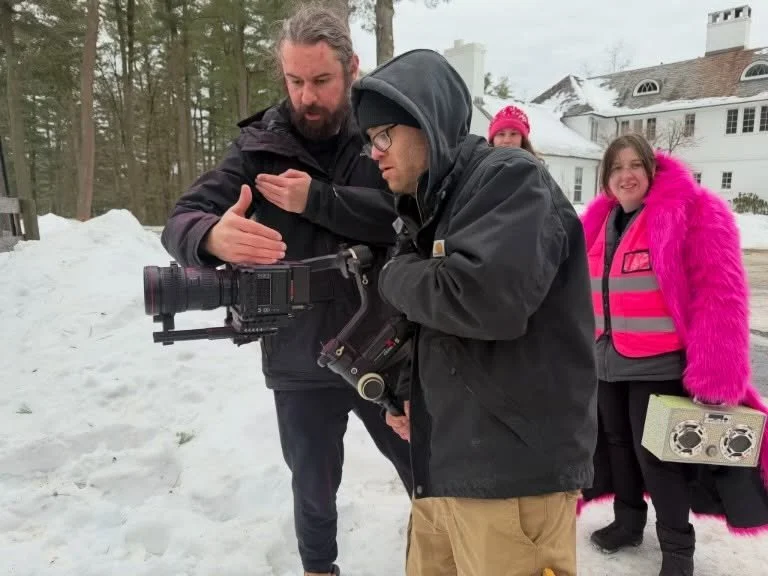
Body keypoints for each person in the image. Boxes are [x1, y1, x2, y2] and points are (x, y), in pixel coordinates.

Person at [160, 6, 413, 576]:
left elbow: (410, 216)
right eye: (295, 81)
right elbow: (181, 219)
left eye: (321, 81)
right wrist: (212, 235)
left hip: (389, 346)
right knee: (313, 488)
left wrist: (321, 200)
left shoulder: (385, 134)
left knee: (426, 466)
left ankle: (441, 558)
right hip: (300, 356)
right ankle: (318, 569)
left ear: (352, 68)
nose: (308, 97)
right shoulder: (259, 148)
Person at [350, 49, 598, 576]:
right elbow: (438, 326)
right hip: (444, 468)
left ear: (428, 120)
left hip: (513, 478)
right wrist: (405, 393)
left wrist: (394, 275)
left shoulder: (509, 180)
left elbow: (484, 301)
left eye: (383, 135)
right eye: (369, 140)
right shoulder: (431, 204)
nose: (374, 152)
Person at [579, 133, 768, 576]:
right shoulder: (599, 221)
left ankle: (677, 552)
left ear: (651, 170)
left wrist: (717, 371)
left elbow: (721, 294)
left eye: (634, 166)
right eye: (615, 168)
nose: (625, 175)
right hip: (607, 361)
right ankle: (627, 523)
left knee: (659, 459)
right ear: (606, 179)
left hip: (659, 362)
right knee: (617, 447)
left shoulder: (691, 212)